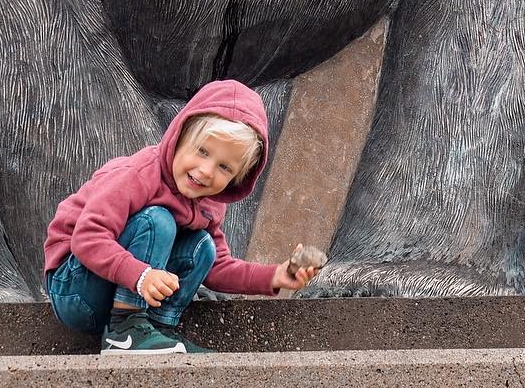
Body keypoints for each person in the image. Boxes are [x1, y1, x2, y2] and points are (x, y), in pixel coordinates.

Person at [43, 79, 319, 354]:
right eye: (201, 151)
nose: (207, 170)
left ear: (238, 177)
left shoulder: (208, 203)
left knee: (202, 245)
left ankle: (159, 328)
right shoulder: (138, 174)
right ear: (179, 137)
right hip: (76, 290)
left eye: (224, 167)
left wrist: (275, 276)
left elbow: (217, 268)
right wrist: (141, 275)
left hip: (125, 288)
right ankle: (124, 330)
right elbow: (88, 237)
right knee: (158, 221)